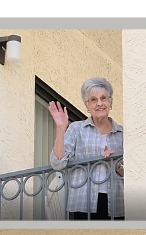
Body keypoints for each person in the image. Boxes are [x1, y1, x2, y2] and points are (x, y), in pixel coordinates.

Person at [49, 77, 124, 220]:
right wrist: (60, 129)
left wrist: (116, 166)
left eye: (103, 98)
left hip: (117, 202)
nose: (99, 103)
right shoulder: (77, 129)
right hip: (84, 201)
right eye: (93, 100)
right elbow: (57, 163)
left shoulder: (123, 134)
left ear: (111, 103)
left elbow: (133, 173)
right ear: (86, 105)